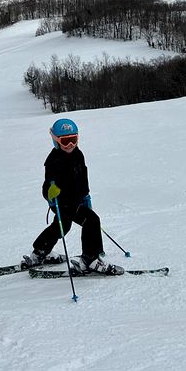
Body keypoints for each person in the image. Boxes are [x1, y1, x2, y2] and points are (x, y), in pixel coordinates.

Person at [21, 117, 124, 275]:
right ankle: (90, 260)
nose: (70, 145)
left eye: (73, 140)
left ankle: (41, 251)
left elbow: (83, 177)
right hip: (62, 203)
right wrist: (50, 194)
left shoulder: (78, 154)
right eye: (65, 141)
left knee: (62, 226)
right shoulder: (53, 161)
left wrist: (86, 196)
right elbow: (47, 186)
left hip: (76, 200)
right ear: (56, 141)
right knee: (91, 220)